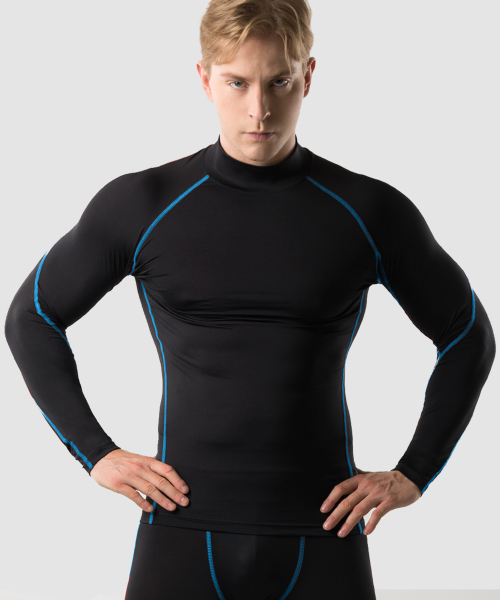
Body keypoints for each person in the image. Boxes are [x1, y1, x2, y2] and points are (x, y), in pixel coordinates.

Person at [4, 0, 496, 598]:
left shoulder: (367, 212)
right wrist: (96, 453)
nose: (258, 109)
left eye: (278, 82)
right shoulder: (144, 204)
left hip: (323, 533)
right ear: (205, 78)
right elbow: (32, 318)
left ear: (308, 76)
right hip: (182, 528)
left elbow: (467, 335)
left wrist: (414, 472)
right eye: (237, 82)